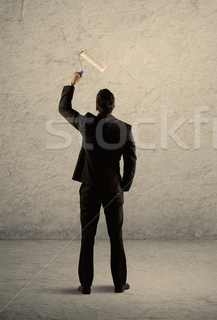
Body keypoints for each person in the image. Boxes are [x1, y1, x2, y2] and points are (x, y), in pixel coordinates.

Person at [58, 72, 136, 294]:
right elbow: (131, 161)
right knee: (116, 237)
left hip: (90, 189)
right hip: (113, 190)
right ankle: (120, 284)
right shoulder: (125, 129)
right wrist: (125, 186)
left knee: (87, 236)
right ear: (113, 106)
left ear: (97, 105)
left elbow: (64, 109)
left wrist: (72, 83)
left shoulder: (87, 123)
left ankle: (85, 285)